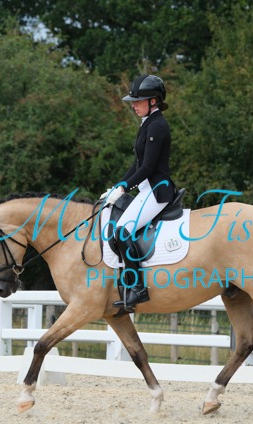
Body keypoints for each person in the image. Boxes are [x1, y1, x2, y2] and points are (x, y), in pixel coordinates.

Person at [100, 74, 176, 309]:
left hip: (157, 191)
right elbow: (137, 164)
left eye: (138, 101)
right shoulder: (147, 123)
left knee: (123, 231)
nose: (133, 105)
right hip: (146, 189)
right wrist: (118, 186)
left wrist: (125, 187)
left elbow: (147, 168)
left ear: (153, 101)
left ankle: (138, 288)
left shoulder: (157, 126)